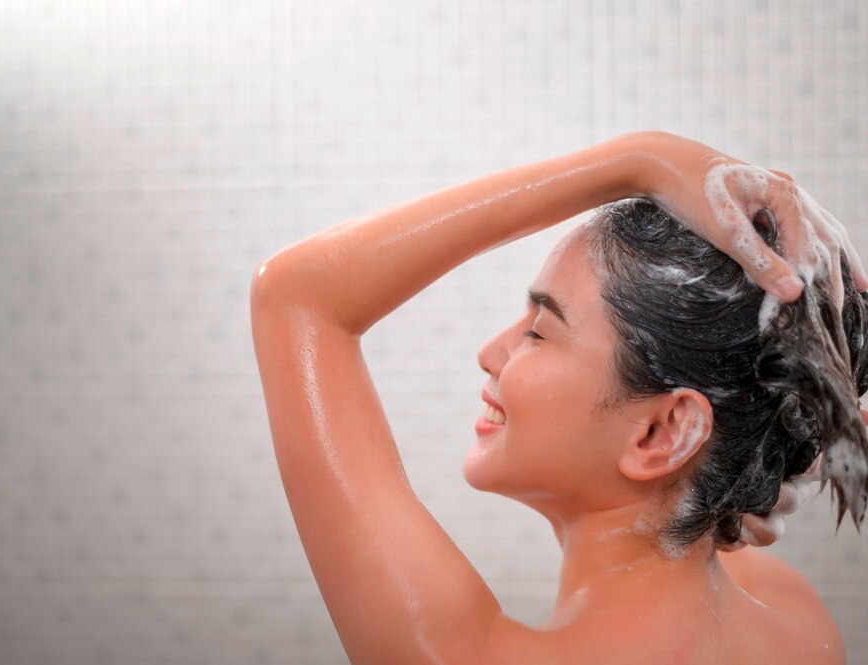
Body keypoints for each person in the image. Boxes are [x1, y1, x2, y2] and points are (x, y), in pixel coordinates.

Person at [250, 130, 868, 664]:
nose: (492, 352)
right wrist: (750, 457)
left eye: (540, 332)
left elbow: (296, 295)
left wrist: (639, 158)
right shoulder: (803, 630)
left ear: (661, 434)